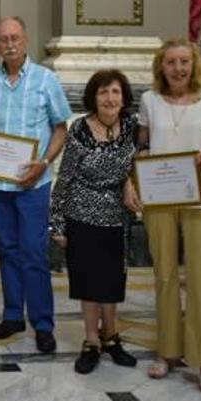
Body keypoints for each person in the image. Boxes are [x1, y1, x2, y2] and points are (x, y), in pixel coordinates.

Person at [125, 37, 201, 393]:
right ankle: (167, 351)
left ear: (193, 65)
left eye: (184, 62)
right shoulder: (149, 101)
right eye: (171, 63)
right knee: (164, 275)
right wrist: (133, 182)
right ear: (161, 66)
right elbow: (144, 146)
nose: (178, 69)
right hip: (160, 198)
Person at [0, 16, 71, 353]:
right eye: (2, 39)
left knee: (34, 252)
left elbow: (61, 128)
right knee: (8, 251)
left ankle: (43, 323)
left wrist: (43, 162)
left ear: (26, 40)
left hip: (34, 183)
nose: (9, 44)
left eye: (14, 37)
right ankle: (13, 315)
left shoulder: (46, 80)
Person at [50, 69, 138, 374]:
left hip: (117, 216)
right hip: (81, 213)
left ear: (123, 97)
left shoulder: (132, 127)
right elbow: (65, 177)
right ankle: (90, 341)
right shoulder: (80, 130)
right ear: (94, 98)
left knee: (112, 280)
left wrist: (130, 182)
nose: (109, 98)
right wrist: (57, 223)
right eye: (103, 92)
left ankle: (111, 337)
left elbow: (140, 164)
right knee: (88, 280)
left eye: (115, 92)